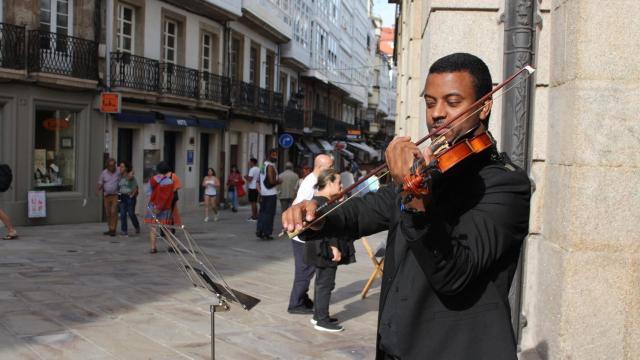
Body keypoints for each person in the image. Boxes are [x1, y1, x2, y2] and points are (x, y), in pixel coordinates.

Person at [282, 53, 531, 359]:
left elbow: (454, 273)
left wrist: (414, 193)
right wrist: (319, 213)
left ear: (484, 106)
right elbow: (366, 210)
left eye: (452, 102)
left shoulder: (505, 185)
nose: (437, 114)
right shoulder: (430, 172)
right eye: (430, 102)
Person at [304, 168, 355, 332]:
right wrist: (334, 247)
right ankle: (322, 320)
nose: (341, 186)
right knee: (326, 283)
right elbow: (329, 228)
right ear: (329, 182)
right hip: (325, 248)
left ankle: (318, 315)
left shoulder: (319, 200)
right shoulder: (322, 202)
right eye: (339, 183)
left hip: (319, 247)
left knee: (322, 282)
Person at [287, 153, 333, 314]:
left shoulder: (315, 180)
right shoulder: (311, 183)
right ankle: (295, 304)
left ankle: (303, 298)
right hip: (301, 232)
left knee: (308, 267)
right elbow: (300, 207)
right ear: (320, 167)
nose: (332, 170)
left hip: (304, 231)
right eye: (329, 167)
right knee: (304, 269)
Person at [144, 161, 175, 253]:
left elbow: (148, 192)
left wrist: (153, 203)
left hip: (153, 206)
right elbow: (170, 196)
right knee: (166, 227)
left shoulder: (153, 179)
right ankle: (171, 245)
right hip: (165, 207)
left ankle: (153, 247)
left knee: (153, 227)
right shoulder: (170, 181)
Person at [256, 149, 281, 240]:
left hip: (263, 193)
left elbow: (260, 180)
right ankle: (267, 232)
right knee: (269, 214)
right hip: (271, 194)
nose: (275, 157)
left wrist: (260, 192)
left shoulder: (263, 166)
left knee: (262, 213)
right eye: (274, 155)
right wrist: (278, 182)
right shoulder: (270, 166)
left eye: (276, 155)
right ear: (269, 155)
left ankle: (260, 230)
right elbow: (271, 181)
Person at [97, 158, 120, 237]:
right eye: (110, 166)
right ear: (107, 166)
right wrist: (98, 190)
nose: (112, 167)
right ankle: (110, 228)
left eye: (113, 165)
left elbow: (126, 172)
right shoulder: (104, 173)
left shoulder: (118, 171)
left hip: (115, 195)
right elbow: (100, 182)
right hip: (106, 196)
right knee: (108, 213)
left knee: (114, 211)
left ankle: (113, 229)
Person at [117, 160, 140, 236]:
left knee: (131, 213)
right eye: (120, 166)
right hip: (122, 197)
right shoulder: (119, 176)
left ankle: (137, 226)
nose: (120, 168)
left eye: (122, 167)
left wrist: (132, 195)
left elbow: (136, 187)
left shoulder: (130, 176)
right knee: (122, 214)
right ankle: (124, 230)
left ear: (126, 168)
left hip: (129, 197)